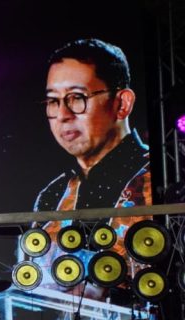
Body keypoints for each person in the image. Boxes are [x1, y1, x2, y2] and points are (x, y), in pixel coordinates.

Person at [32, 38, 151, 270]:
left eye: (77, 97)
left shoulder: (160, 178)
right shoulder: (54, 194)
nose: (62, 115)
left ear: (122, 104)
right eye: (53, 101)